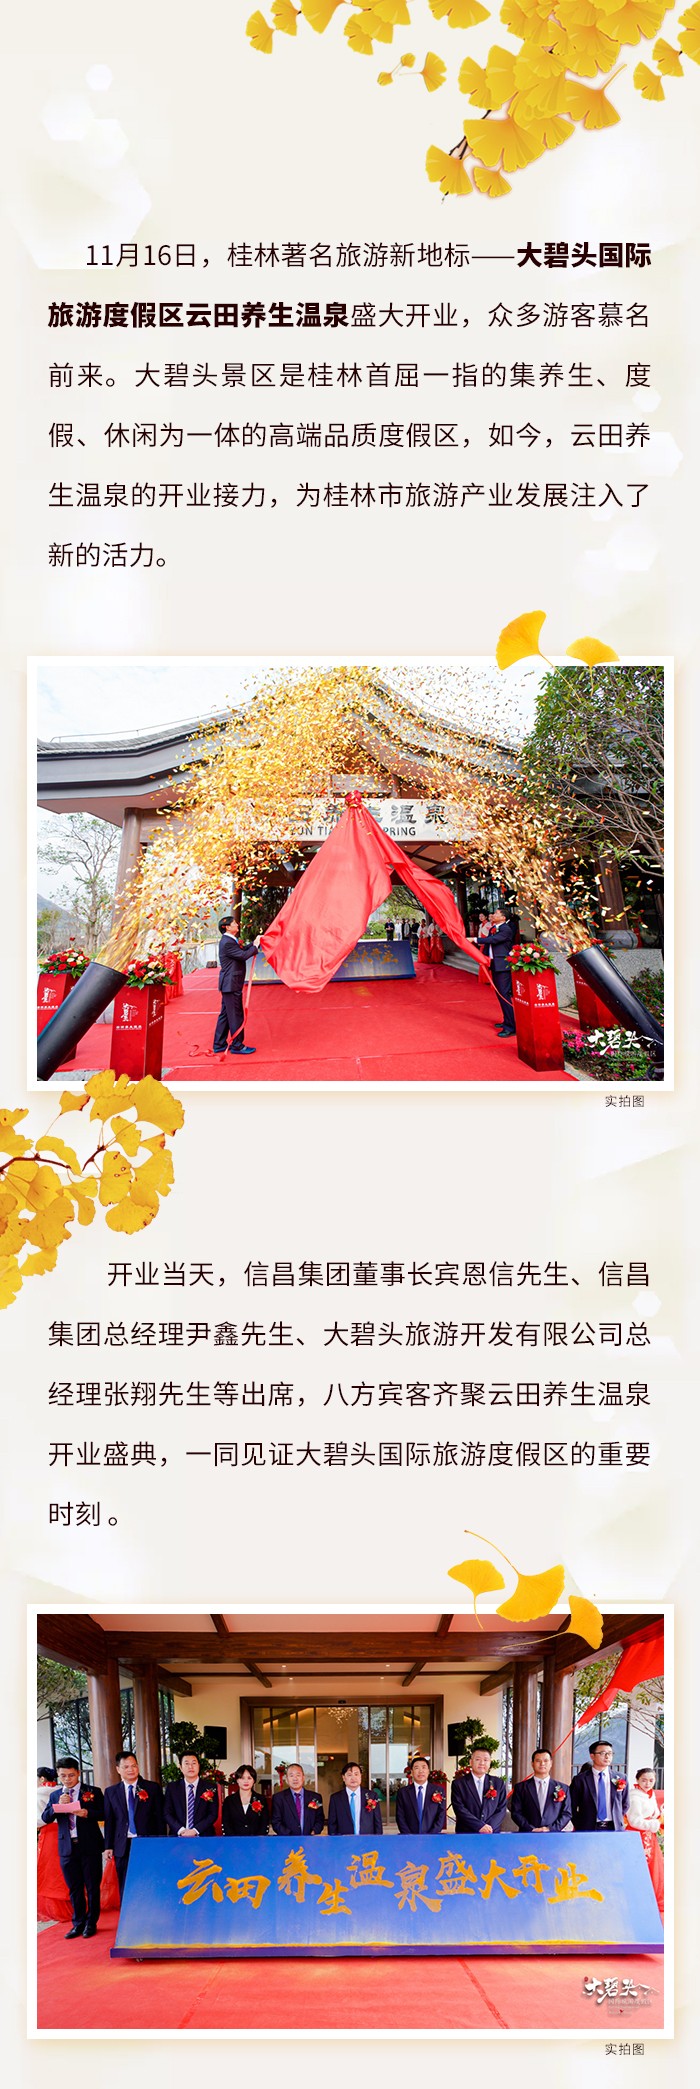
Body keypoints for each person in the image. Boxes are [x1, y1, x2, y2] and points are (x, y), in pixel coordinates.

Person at [41, 1756, 104, 1938]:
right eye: (63, 1776)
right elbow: (45, 1818)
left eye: (71, 1775)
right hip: (67, 1847)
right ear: (58, 1775)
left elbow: (104, 1813)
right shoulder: (55, 1795)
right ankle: (78, 1923)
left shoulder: (92, 1791)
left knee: (92, 1886)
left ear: (78, 1773)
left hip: (89, 1846)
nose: (67, 1779)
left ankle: (91, 1923)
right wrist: (56, 1807)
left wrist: (87, 1813)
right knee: (74, 1887)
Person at [103, 1750, 166, 1901]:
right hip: (122, 1845)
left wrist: (161, 1841)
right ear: (118, 1769)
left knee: (149, 1880)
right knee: (125, 1882)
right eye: (126, 1767)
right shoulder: (111, 1792)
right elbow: (110, 1821)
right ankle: (128, 1913)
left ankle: (150, 1910)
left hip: (147, 1842)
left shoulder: (152, 1788)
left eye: (134, 1766)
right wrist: (108, 1846)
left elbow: (160, 1818)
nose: (131, 1769)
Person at [212, 913, 260, 1057]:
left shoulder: (230, 940)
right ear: (226, 927)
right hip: (231, 984)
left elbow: (242, 950)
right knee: (236, 1015)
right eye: (234, 923)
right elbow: (243, 956)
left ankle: (219, 1044)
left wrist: (254, 943)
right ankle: (237, 1045)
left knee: (226, 1015)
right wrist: (255, 947)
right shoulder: (227, 942)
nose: (237, 925)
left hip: (229, 984)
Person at [625, 1767, 664, 1915]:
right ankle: (638, 1899)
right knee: (640, 1866)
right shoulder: (634, 1797)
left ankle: (649, 1898)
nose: (647, 1783)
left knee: (652, 1867)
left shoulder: (649, 1795)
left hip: (649, 1836)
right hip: (638, 1836)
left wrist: (656, 1822)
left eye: (651, 1780)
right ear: (637, 1780)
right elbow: (634, 1820)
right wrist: (654, 1824)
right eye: (644, 1780)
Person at [510, 1749, 573, 1833]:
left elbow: (567, 1813)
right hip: (528, 1833)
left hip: (553, 1834)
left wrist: (551, 1829)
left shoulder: (563, 1788)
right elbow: (516, 1812)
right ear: (532, 1764)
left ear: (551, 1763)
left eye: (546, 1761)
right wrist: (530, 1828)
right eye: (538, 1761)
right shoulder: (520, 1788)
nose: (542, 1764)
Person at [570, 1741, 629, 1830]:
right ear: (592, 1756)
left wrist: (617, 1818)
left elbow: (625, 1803)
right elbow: (571, 1806)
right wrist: (579, 1824)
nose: (607, 1756)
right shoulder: (580, 1780)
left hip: (614, 1827)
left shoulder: (621, 1777)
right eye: (603, 1753)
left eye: (610, 1753)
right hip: (588, 1828)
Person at [451, 1747, 507, 1834]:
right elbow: (459, 1809)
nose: (482, 1763)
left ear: (490, 1763)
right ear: (471, 1762)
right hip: (467, 1833)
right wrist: (479, 1826)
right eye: (478, 1759)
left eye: (485, 1760)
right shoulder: (459, 1784)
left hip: (491, 1832)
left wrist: (489, 1827)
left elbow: (502, 1809)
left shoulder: (498, 1783)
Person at [164, 1751, 219, 1837]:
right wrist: (181, 1830)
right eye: (186, 1763)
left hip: (203, 1835)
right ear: (180, 1767)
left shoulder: (210, 1787)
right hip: (178, 1836)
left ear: (199, 1766)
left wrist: (195, 1830)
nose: (190, 1767)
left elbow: (212, 1814)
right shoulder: (172, 1788)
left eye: (194, 1763)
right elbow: (167, 1813)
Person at [327, 1761, 383, 1836]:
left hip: (367, 1839)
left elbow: (378, 1822)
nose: (353, 1778)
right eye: (349, 1775)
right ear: (343, 1777)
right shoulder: (336, 1798)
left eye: (356, 1774)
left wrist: (378, 1839)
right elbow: (332, 1824)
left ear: (360, 1776)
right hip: (344, 1840)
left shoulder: (372, 1796)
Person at [271, 1760, 325, 1836]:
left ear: (303, 1778)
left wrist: (313, 1832)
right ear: (286, 1779)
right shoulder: (278, 1798)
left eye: (298, 1775)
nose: (295, 1778)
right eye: (291, 1776)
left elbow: (320, 1819)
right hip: (288, 1840)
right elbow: (276, 1822)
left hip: (310, 1840)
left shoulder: (316, 1797)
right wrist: (290, 1836)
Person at [395, 1755, 446, 1835]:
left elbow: (441, 1814)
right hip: (409, 1837)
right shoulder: (403, 1792)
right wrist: (408, 1835)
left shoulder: (438, 1791)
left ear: (428, 1771)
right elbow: (400, 1816)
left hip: (432, 1836)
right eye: (416, 1768)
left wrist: (432, 1834)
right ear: (412, 1772)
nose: (421, 1771)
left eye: (423, 1767)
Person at [486, 908, 516, 1036]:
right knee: (500, 994)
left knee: (504, 995)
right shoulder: (494, 928)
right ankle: (507, 1021)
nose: (493, 915)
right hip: (495, 964)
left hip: (503, 966)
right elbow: (488, 946)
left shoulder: (506, 929)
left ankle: (511, 1027)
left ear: (503, 918)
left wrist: (475, 939)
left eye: (496, 913)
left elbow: (493, 940)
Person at [221, 1763, 269, 1835]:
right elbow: (226, 1823)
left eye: (249, 1778)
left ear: (254, 1780)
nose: (246, 1781)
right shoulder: (229, 1800)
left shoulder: (261, 1799)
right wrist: (233, 1840)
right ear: (237, 1780)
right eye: (242, 1778)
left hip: (256, 1840)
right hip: (234, 1840)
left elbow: (264, 1823)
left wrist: (258, 1839)